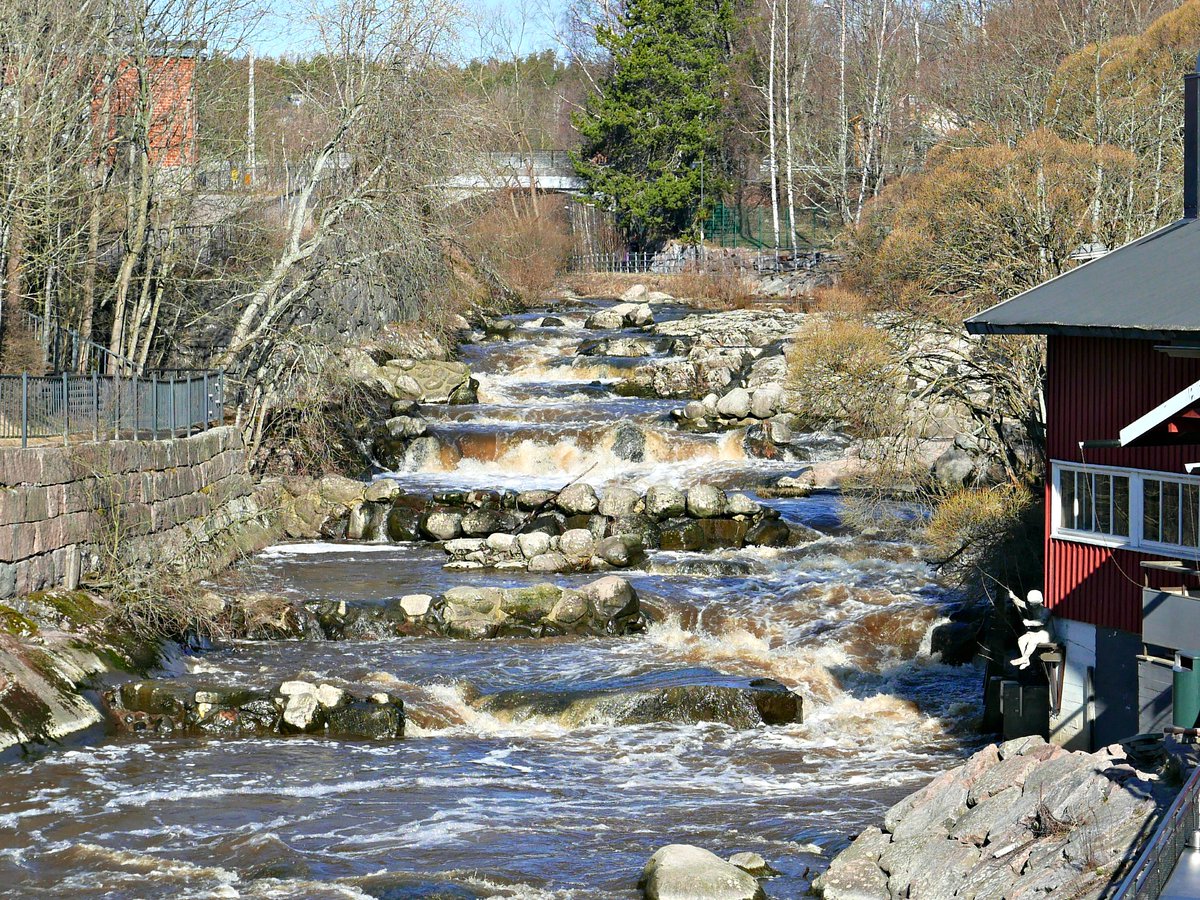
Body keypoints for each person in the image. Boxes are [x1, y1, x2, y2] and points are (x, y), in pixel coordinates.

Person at [1007, 588, 1052, 670]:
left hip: (1047, 634)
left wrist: (1029, 622)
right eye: (1030, 603)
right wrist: (1013, 597)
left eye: (1032, 603)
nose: (1031, 605)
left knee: (1033, 641)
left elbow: (1042, 622)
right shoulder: (1032, 607)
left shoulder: (1046, 611)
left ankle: (1024, 658)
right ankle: (1026, 660)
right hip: (1037, 632)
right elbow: (1021, 603)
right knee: (1021, 640)